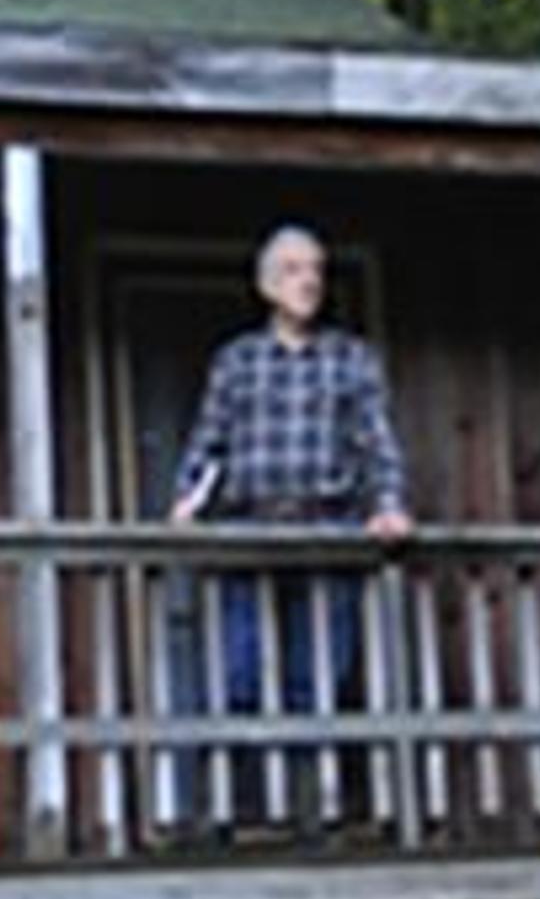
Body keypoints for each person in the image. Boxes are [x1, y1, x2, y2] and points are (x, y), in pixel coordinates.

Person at [165, 225, 411, 826]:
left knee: (320, 676)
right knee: (241, 670)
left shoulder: (350, 360)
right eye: (296, 270)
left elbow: (376, 444)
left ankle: (312, 808)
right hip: (250, 527)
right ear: (267, 283)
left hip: (328, 528)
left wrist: (389, 504)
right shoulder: (238, 361)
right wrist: (184, 502)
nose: (309, 282)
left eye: (317, 271)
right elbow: (209, 444)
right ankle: (238, 809)